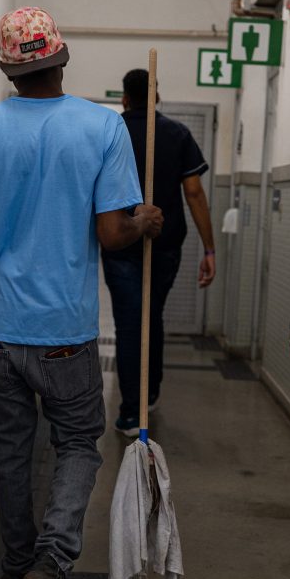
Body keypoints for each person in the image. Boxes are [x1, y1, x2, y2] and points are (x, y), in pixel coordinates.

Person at [0, 8, 163, 579]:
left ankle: (14, 572)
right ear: (63, 57)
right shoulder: (102, 128)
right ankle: (50, 564)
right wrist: (144, 221)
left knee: (11, 456)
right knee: (78, 443)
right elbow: (112, 234)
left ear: (7, 69)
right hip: (65, 336)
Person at [101, 68, 216, 437]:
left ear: (124, 98)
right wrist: (210, 249)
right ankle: (149, 394)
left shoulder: (110, 132)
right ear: (157, 97)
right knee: (152, 315)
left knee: (130, 323)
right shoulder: (178, 134)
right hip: (165, 246)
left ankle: (131, 413)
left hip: (121, 244)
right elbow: (194, 192)